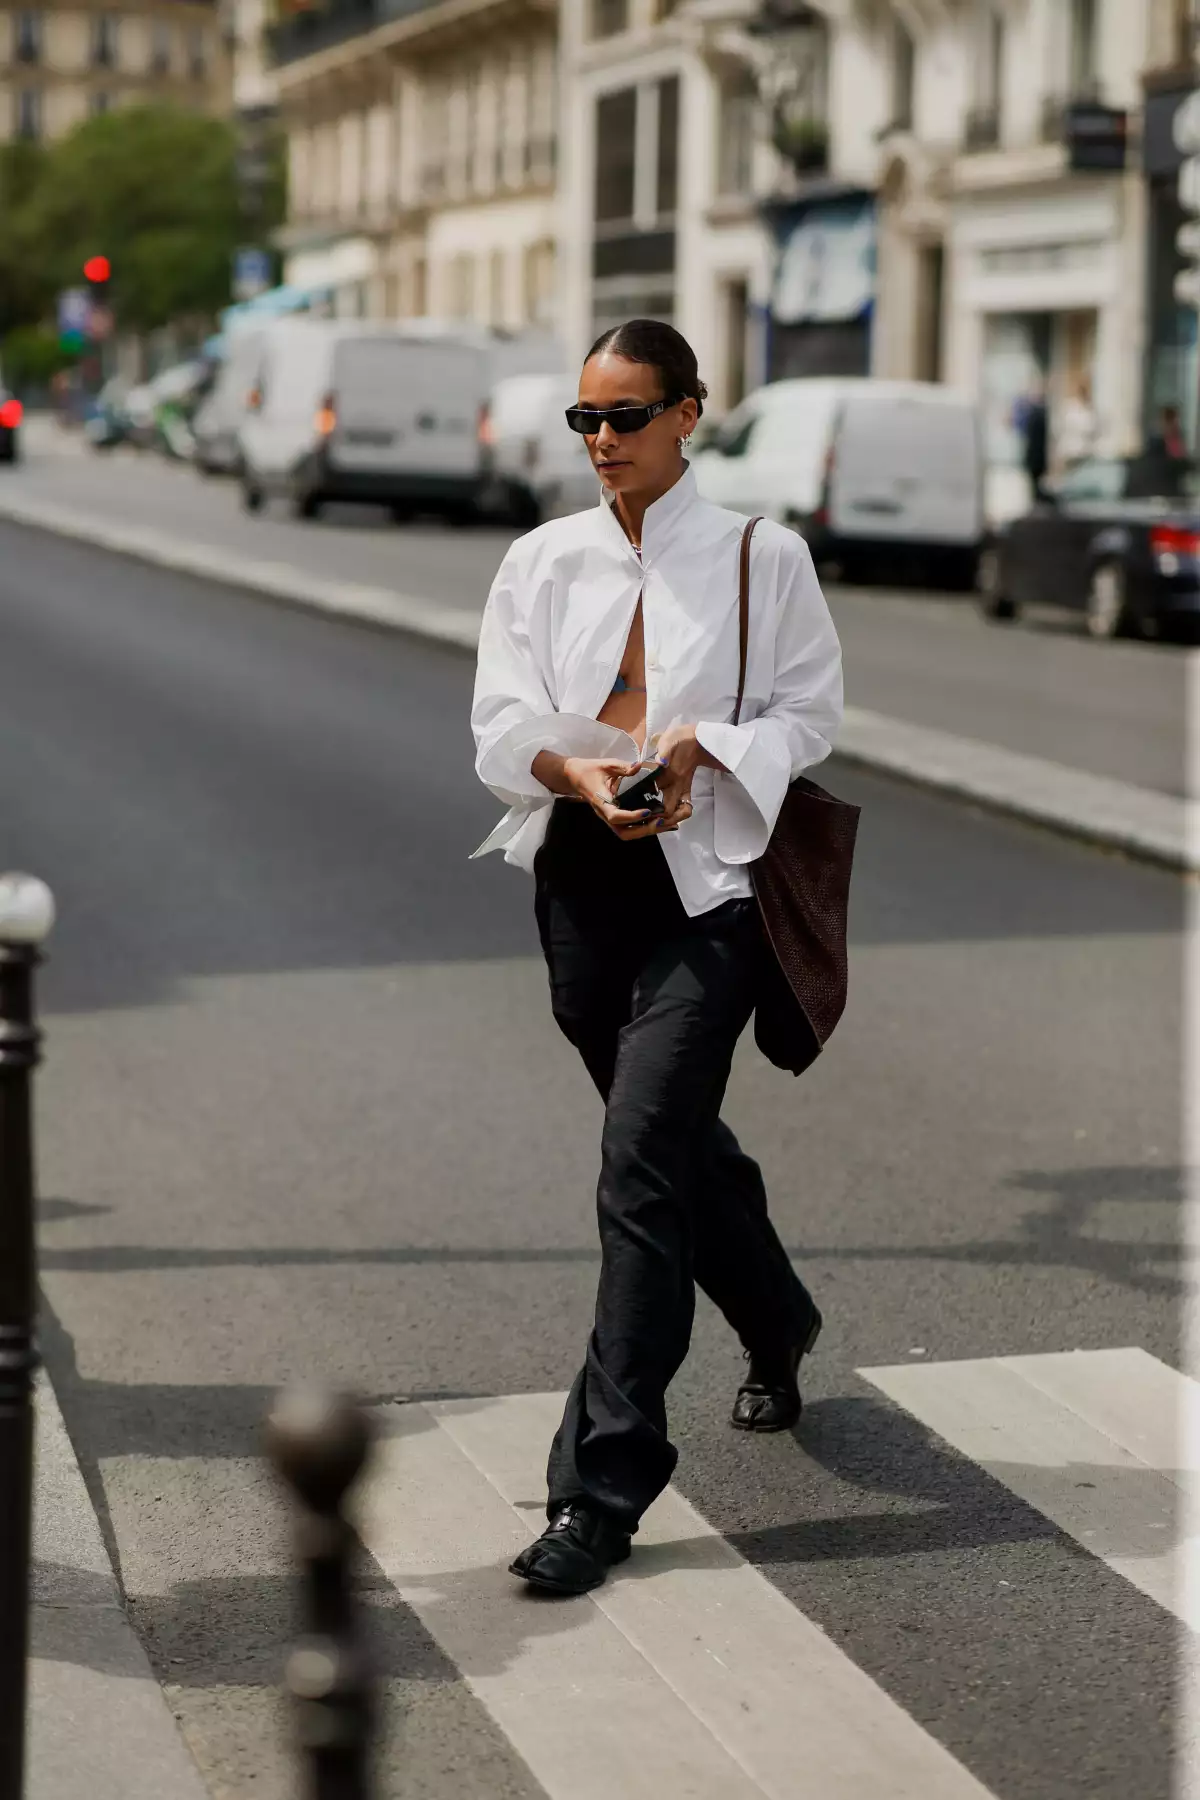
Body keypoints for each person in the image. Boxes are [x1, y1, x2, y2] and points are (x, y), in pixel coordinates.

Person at [470, 319, 843, 1596]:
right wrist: (576, 769)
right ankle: (778, 1314)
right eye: (586, 421)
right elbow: (499, 721)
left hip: (712, 890)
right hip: (583, 876)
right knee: (673, 1145)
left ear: (690, 413)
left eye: (626, 417)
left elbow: (810, 712)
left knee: (637, 1164)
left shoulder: (761, 554)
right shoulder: (543, 560)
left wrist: (700, 755)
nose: (603, 443)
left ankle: (603, 1486)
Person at [1012, 380, 1049, 500]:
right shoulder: (1038, 413)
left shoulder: (1036, 414)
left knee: (1035, 486)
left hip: (1035, 458)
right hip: (1037, 458)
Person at [1055, 375, 1098, 469]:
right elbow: (1061, 428)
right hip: (1070, 452)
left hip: (1085, 452)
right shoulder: (1069, 406)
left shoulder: (1090, 408)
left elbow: (1092, 428)